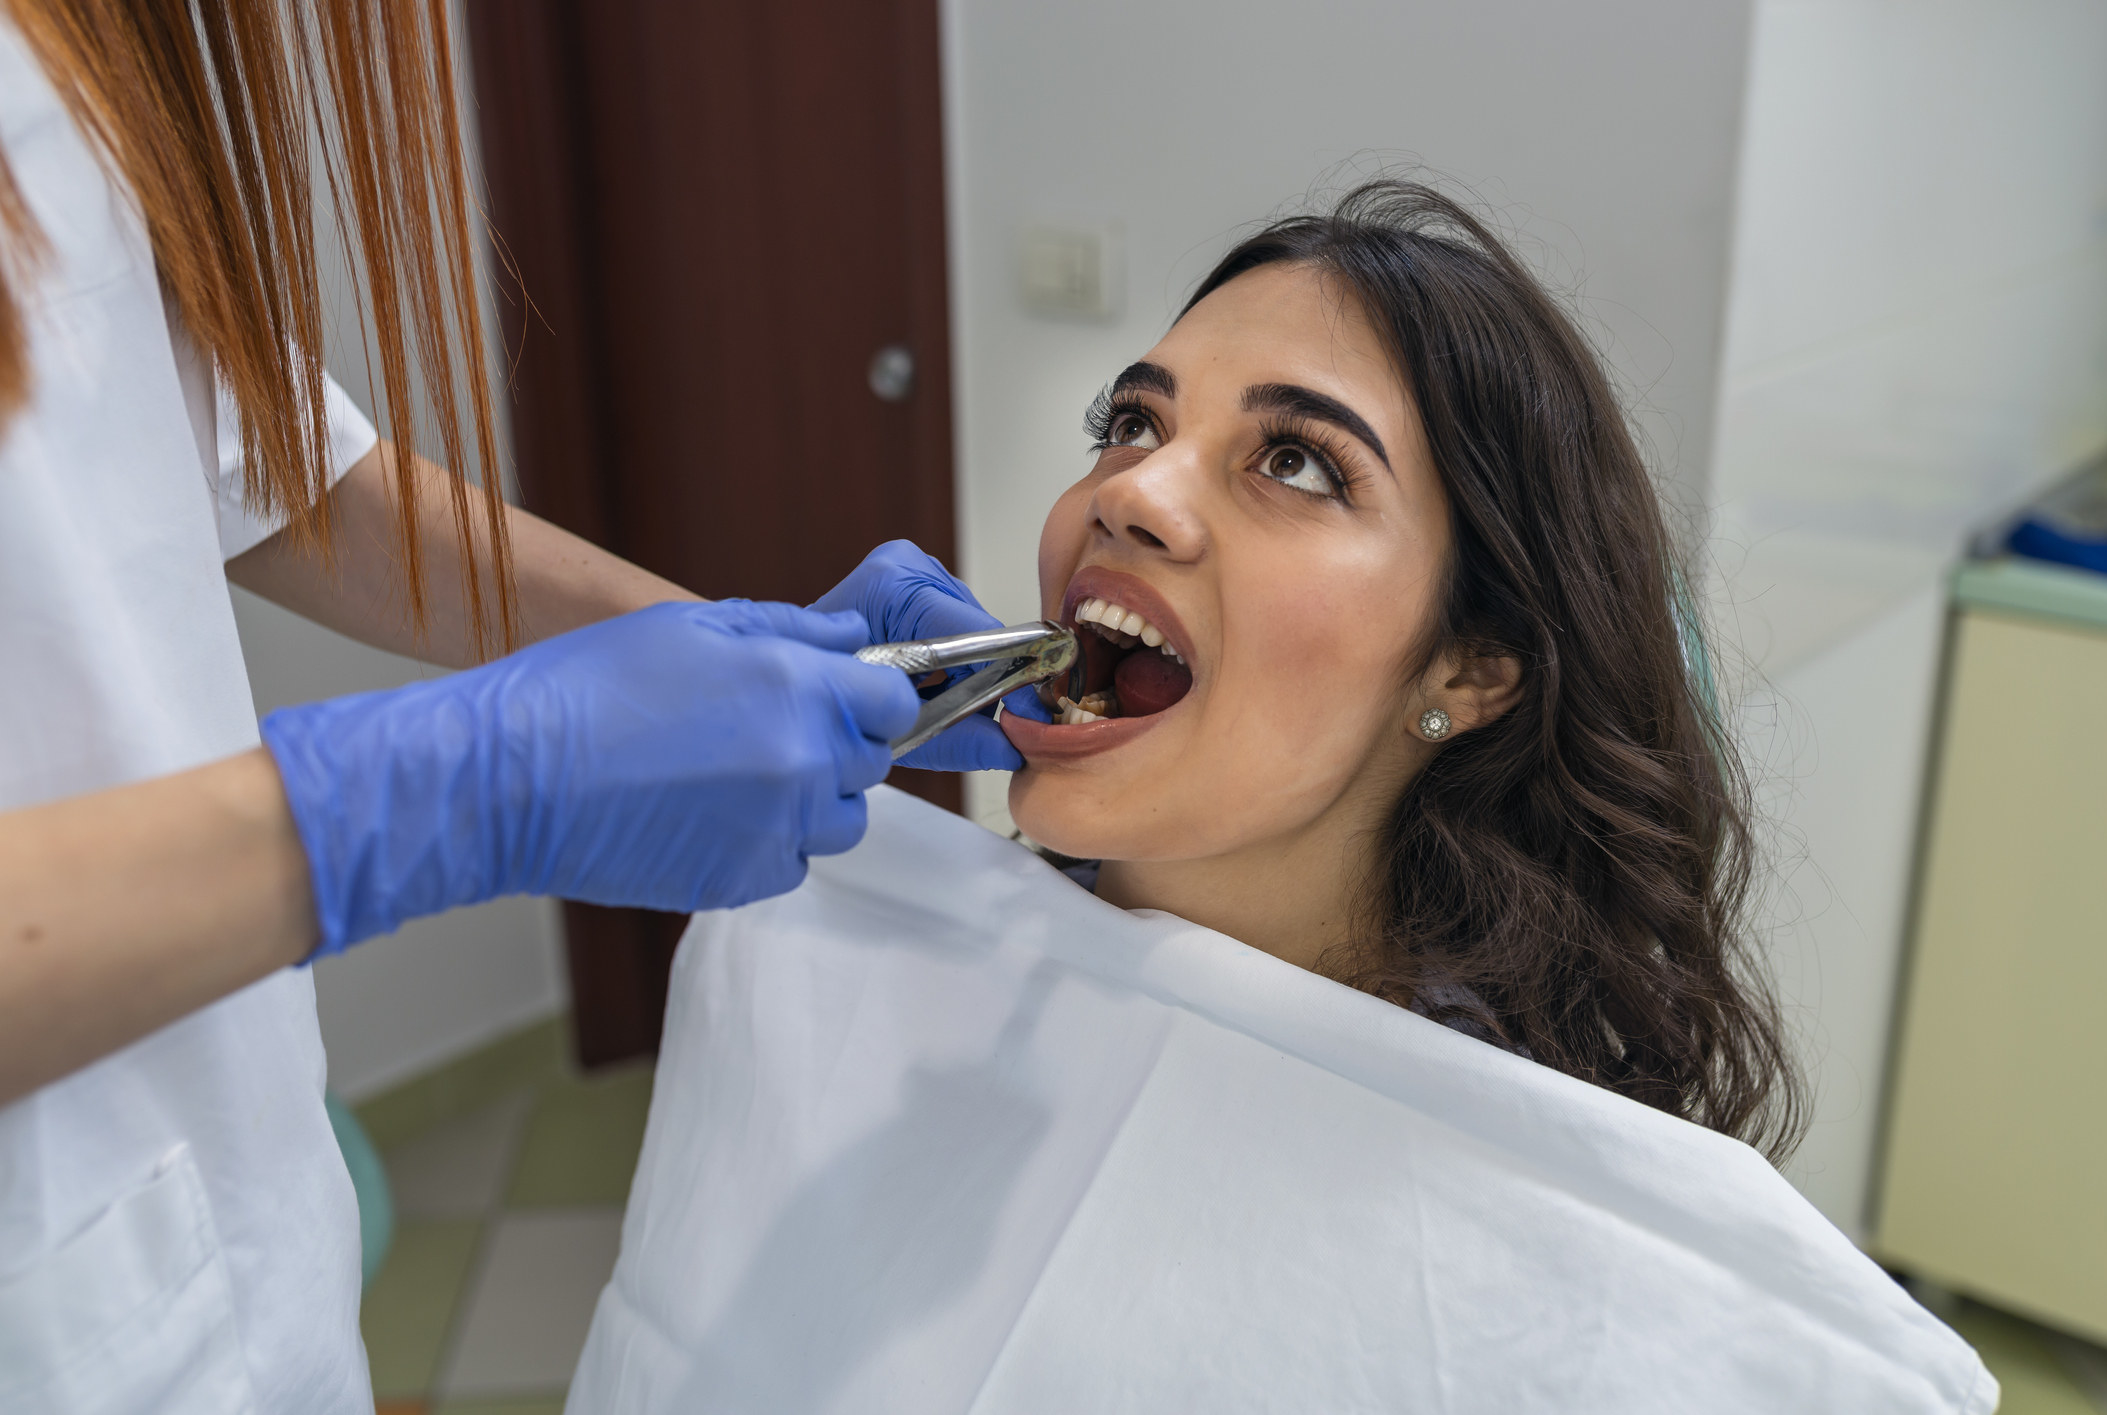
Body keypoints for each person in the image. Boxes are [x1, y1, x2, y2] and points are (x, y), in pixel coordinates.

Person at [570, 182, 1997, 1412]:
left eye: (1298, 460)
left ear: (1473, 664)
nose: (1128, 494)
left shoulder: (1559, 1248)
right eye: (1131, 421)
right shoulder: (837, 942)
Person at [0, 7, 1013, 1412]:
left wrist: (717, 637)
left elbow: (266, 469)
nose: (1144, 496)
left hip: (218, 1243)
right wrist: (427, 799)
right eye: (1131, 427)